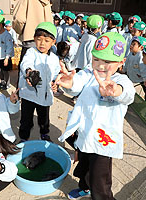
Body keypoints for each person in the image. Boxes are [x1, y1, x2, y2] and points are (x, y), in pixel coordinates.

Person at [56, 32, 135, 199]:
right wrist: (69, 84)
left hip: (103, 141)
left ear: (121, 62)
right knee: (84, 166)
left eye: (107, 61)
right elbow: (77, 84)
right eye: (96, 59)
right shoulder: (88, 74)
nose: (100, 65)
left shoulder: (121, 80)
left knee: (100, 179)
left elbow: (128, 94)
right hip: (85, 134)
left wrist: (115, 91)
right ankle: (85, 188)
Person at [18, 22, 60, 142]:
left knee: (44, 119)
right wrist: (29, 72)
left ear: (53, 42)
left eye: (46, 40)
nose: (42, 43)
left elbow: (56, 74)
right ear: (34, 39)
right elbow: (26, 62)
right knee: (26, 119)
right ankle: (23, 137)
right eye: (39, 39)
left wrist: (55, 83)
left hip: (45, 95)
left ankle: (44, 134)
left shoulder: (54, 58)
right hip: (29, 95)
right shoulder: (31, 52)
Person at [12, 0, 53, 67]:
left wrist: (20, 31)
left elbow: (19, 19)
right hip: (47, 42)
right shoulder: (47, 2)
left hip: (30, 39)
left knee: (26, 69)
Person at [120, 36, 146, 103]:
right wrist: (124, 71)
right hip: (133, 74)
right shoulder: (131, 54)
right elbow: (127, 63)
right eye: (131, 44)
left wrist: (145, 79)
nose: (131, 46)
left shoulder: (141, 56)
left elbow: (143, 68)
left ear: (141, 47)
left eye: (134, 44)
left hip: (144, 76)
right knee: (127, 84)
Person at [0, 14, 14, 90]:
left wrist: (7, 57)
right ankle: (2, 82)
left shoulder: (7, 35)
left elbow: (9, 47)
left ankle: (7, 84)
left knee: (5, 71)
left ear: (1, 25)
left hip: (5, 56)